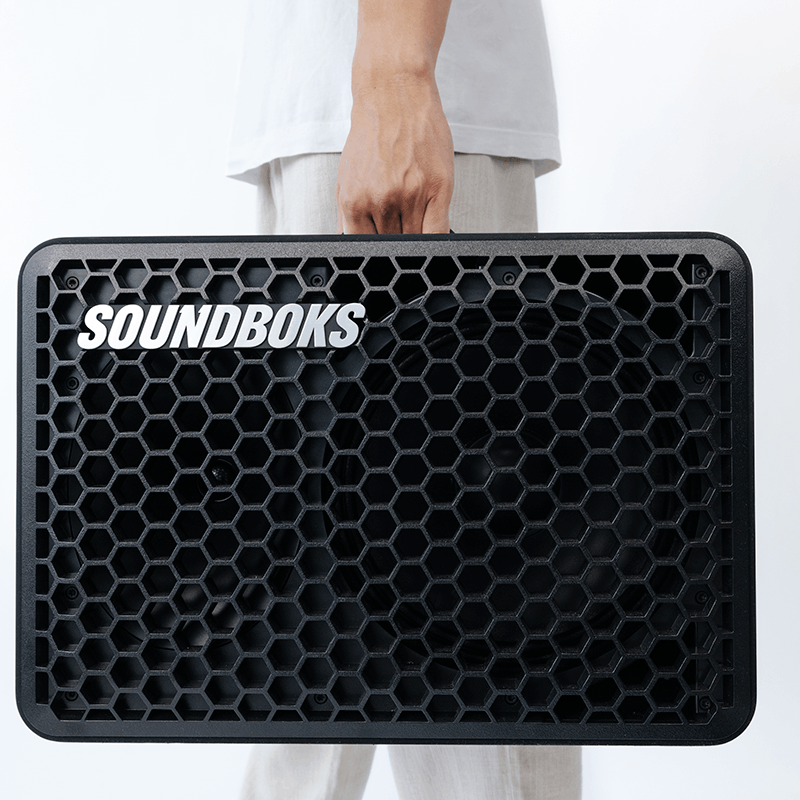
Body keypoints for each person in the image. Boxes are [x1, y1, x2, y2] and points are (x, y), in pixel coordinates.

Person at [228, 2, 579, 798]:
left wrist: (395, 76)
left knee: (476, 659)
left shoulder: (388, 89)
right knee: (308, 661)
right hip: (328, 111)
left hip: (398, 109)